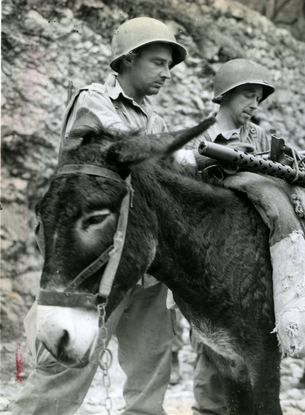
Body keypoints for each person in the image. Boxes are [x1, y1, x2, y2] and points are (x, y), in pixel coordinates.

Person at [11, 17, 187, 415]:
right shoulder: (93, 101)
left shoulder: (153, 116)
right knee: (69, 363)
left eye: (169, 66)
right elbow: (119, 152)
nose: (166, 73)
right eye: (158, 62)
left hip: (144, 257)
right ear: (127, 60)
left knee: (151, 367)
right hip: (100, 258)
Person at [174, 58, 275, 415]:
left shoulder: (260, 136)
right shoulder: (201, 134)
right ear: (226, 95)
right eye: (248, 95)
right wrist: (207, 161)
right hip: (208, 254)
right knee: (211, 352)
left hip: (249, 253)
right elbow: (177, 168)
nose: (254, 104)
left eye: (259, 98)